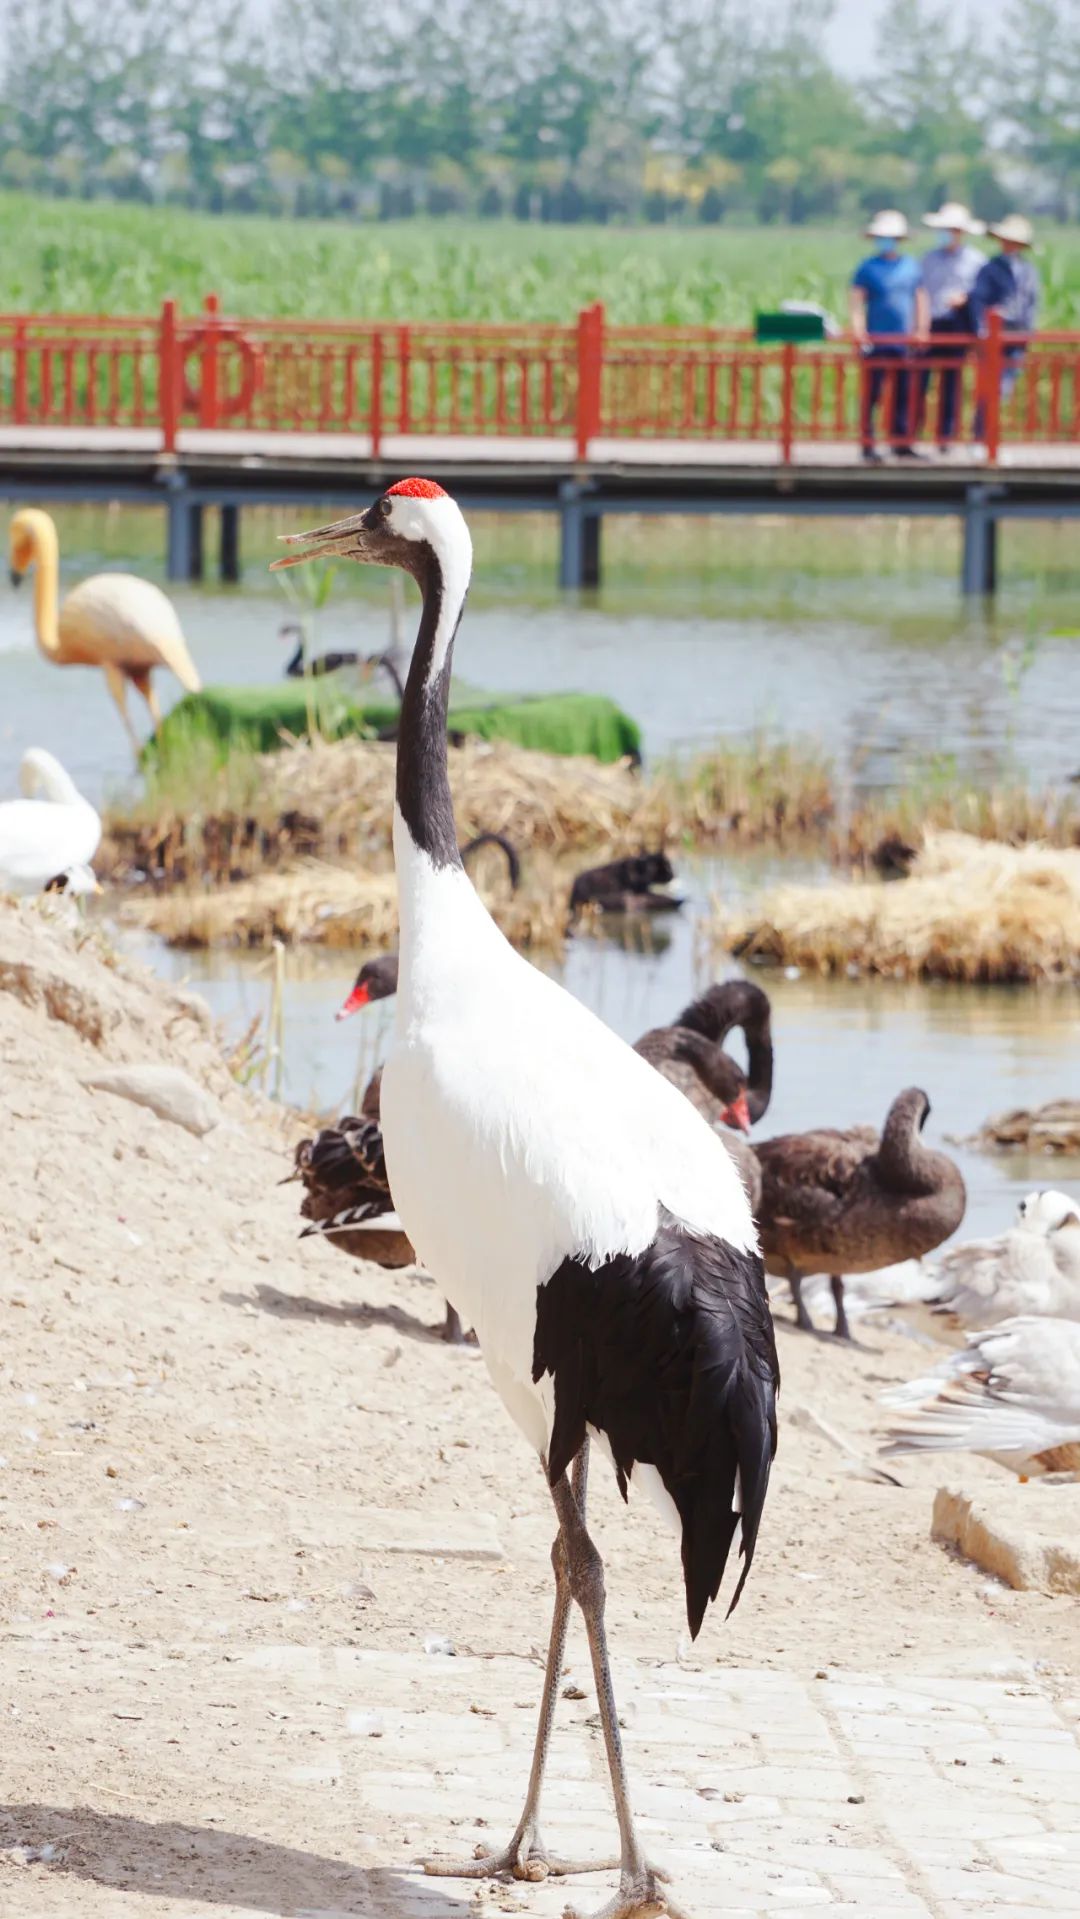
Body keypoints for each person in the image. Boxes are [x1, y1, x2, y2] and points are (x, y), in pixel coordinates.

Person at [850, 210, 930, 463]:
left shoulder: (910, 267)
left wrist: (921, 329)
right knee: (873, 393)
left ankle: (902, 441)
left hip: (904, 341)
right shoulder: (867, 268)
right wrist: (859, 333)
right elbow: (856, 302)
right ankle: (868, 442)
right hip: (877, 340)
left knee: (905, 393)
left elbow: (919, 299)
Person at [917, 201, 985, 450]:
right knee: (920, 380)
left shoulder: (976, 260)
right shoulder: (928, 258)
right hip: (930, 323)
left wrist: (965, 298)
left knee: (951, 383)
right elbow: (919, 291)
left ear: (962, 233)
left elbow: (981, 293)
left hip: (958, 324)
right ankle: (911, 434)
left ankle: (945, 436)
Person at [971, 215, 1040, 434]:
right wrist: (982, 330)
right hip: (995, 338)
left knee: (1004, 390)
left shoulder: (1029, 271)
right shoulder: (990, 268)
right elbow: (978, 300)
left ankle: (991, 437)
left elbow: (1032, 304)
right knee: (990, 389)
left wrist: (1029, 333)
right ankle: (981, 437)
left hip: (1017, 340)